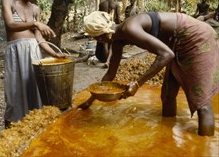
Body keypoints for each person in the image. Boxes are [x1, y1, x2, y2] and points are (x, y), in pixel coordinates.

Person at [83, 11, 219, 136]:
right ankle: (166, 139)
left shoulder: (129, 28)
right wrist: (90, 101)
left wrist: (137, 83)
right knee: (167, 94)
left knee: (201, 103)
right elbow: (110, 75)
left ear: (99, 38)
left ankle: (204, 146)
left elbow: (166, 54)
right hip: (175, 43)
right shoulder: (117, 42)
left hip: (196, 37)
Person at [2, 0, 66, 128]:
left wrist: (55, 53)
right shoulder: (9, 2)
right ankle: (10, 135)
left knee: (35, 92)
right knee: (14, 94)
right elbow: (10, 25)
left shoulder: (36, 9)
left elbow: (39, 38)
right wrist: (35, 23)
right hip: (16, 53)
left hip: (34, 53)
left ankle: (33, 130)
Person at [96, 0, 121, 68]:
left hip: (103, 24)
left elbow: (99, 15)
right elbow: (118, 18)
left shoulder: (101, 4)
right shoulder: (116, 4)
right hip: (112, 24)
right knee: (112, 43)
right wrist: (120, 26)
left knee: (105, 43)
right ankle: (108, 61)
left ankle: (106, 60)